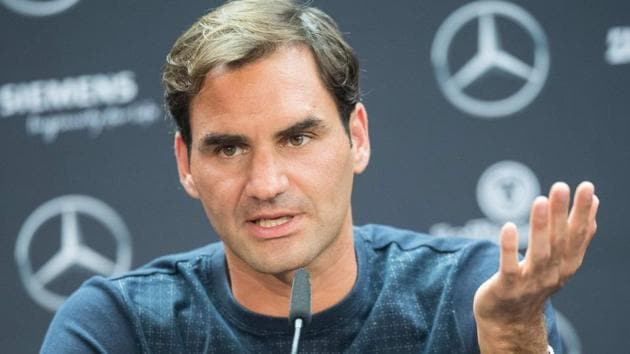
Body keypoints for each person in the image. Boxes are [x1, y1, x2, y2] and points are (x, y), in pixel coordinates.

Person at [41, 0, 599, 352]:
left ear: (356, 137)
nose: (265, 183)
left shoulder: (467, 294)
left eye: (297, 138)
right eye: (229, 149)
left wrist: (513, 340)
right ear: (187, 164)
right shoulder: (118, 329)